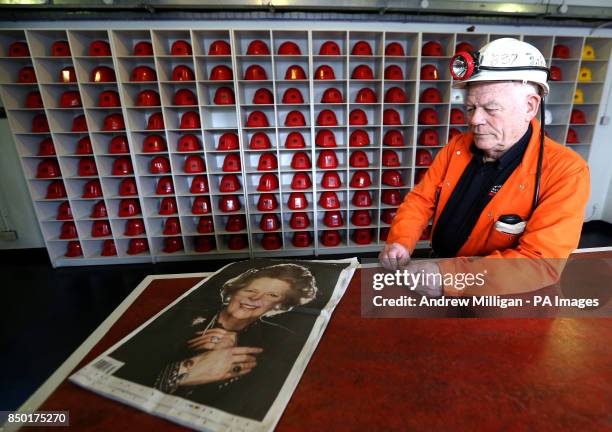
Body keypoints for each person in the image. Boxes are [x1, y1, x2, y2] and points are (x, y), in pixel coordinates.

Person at [379, 38, 590, 296]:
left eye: (491, 109)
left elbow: (541, 262)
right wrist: (401, 241)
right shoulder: (457, 146)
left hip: (503, 295)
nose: (475, 120)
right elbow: (421, 200)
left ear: (530, 106)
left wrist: (447, 277)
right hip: (441, 268)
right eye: (470, 108)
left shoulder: (565, 171)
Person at [110, 263, 317, 421]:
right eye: (250, 290)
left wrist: (231, 355)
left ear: (279, 306)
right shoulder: (182, 316)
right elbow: (126, 372)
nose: (255, 299)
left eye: (271, 295)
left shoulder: (276, 339)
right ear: (235, 290)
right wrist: (179, 372)